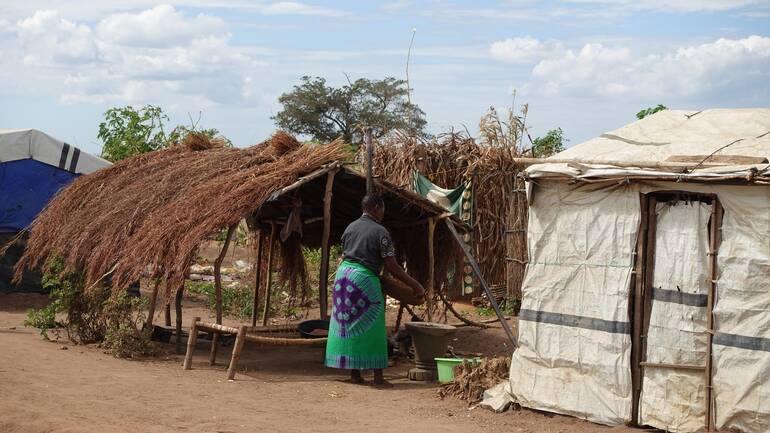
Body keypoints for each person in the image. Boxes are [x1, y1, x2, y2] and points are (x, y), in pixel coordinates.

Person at [324, 194, 425, 386]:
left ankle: (355, 374)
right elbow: (392, 266)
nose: (383, 213)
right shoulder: (381, 232)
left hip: (343, 278)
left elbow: (346, 254)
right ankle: (378, 377)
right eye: (383, 209)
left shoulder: (350, 228)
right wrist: (415, 285)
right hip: (363, 279)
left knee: (349, 325)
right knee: (373, 327)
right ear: (377, 208)